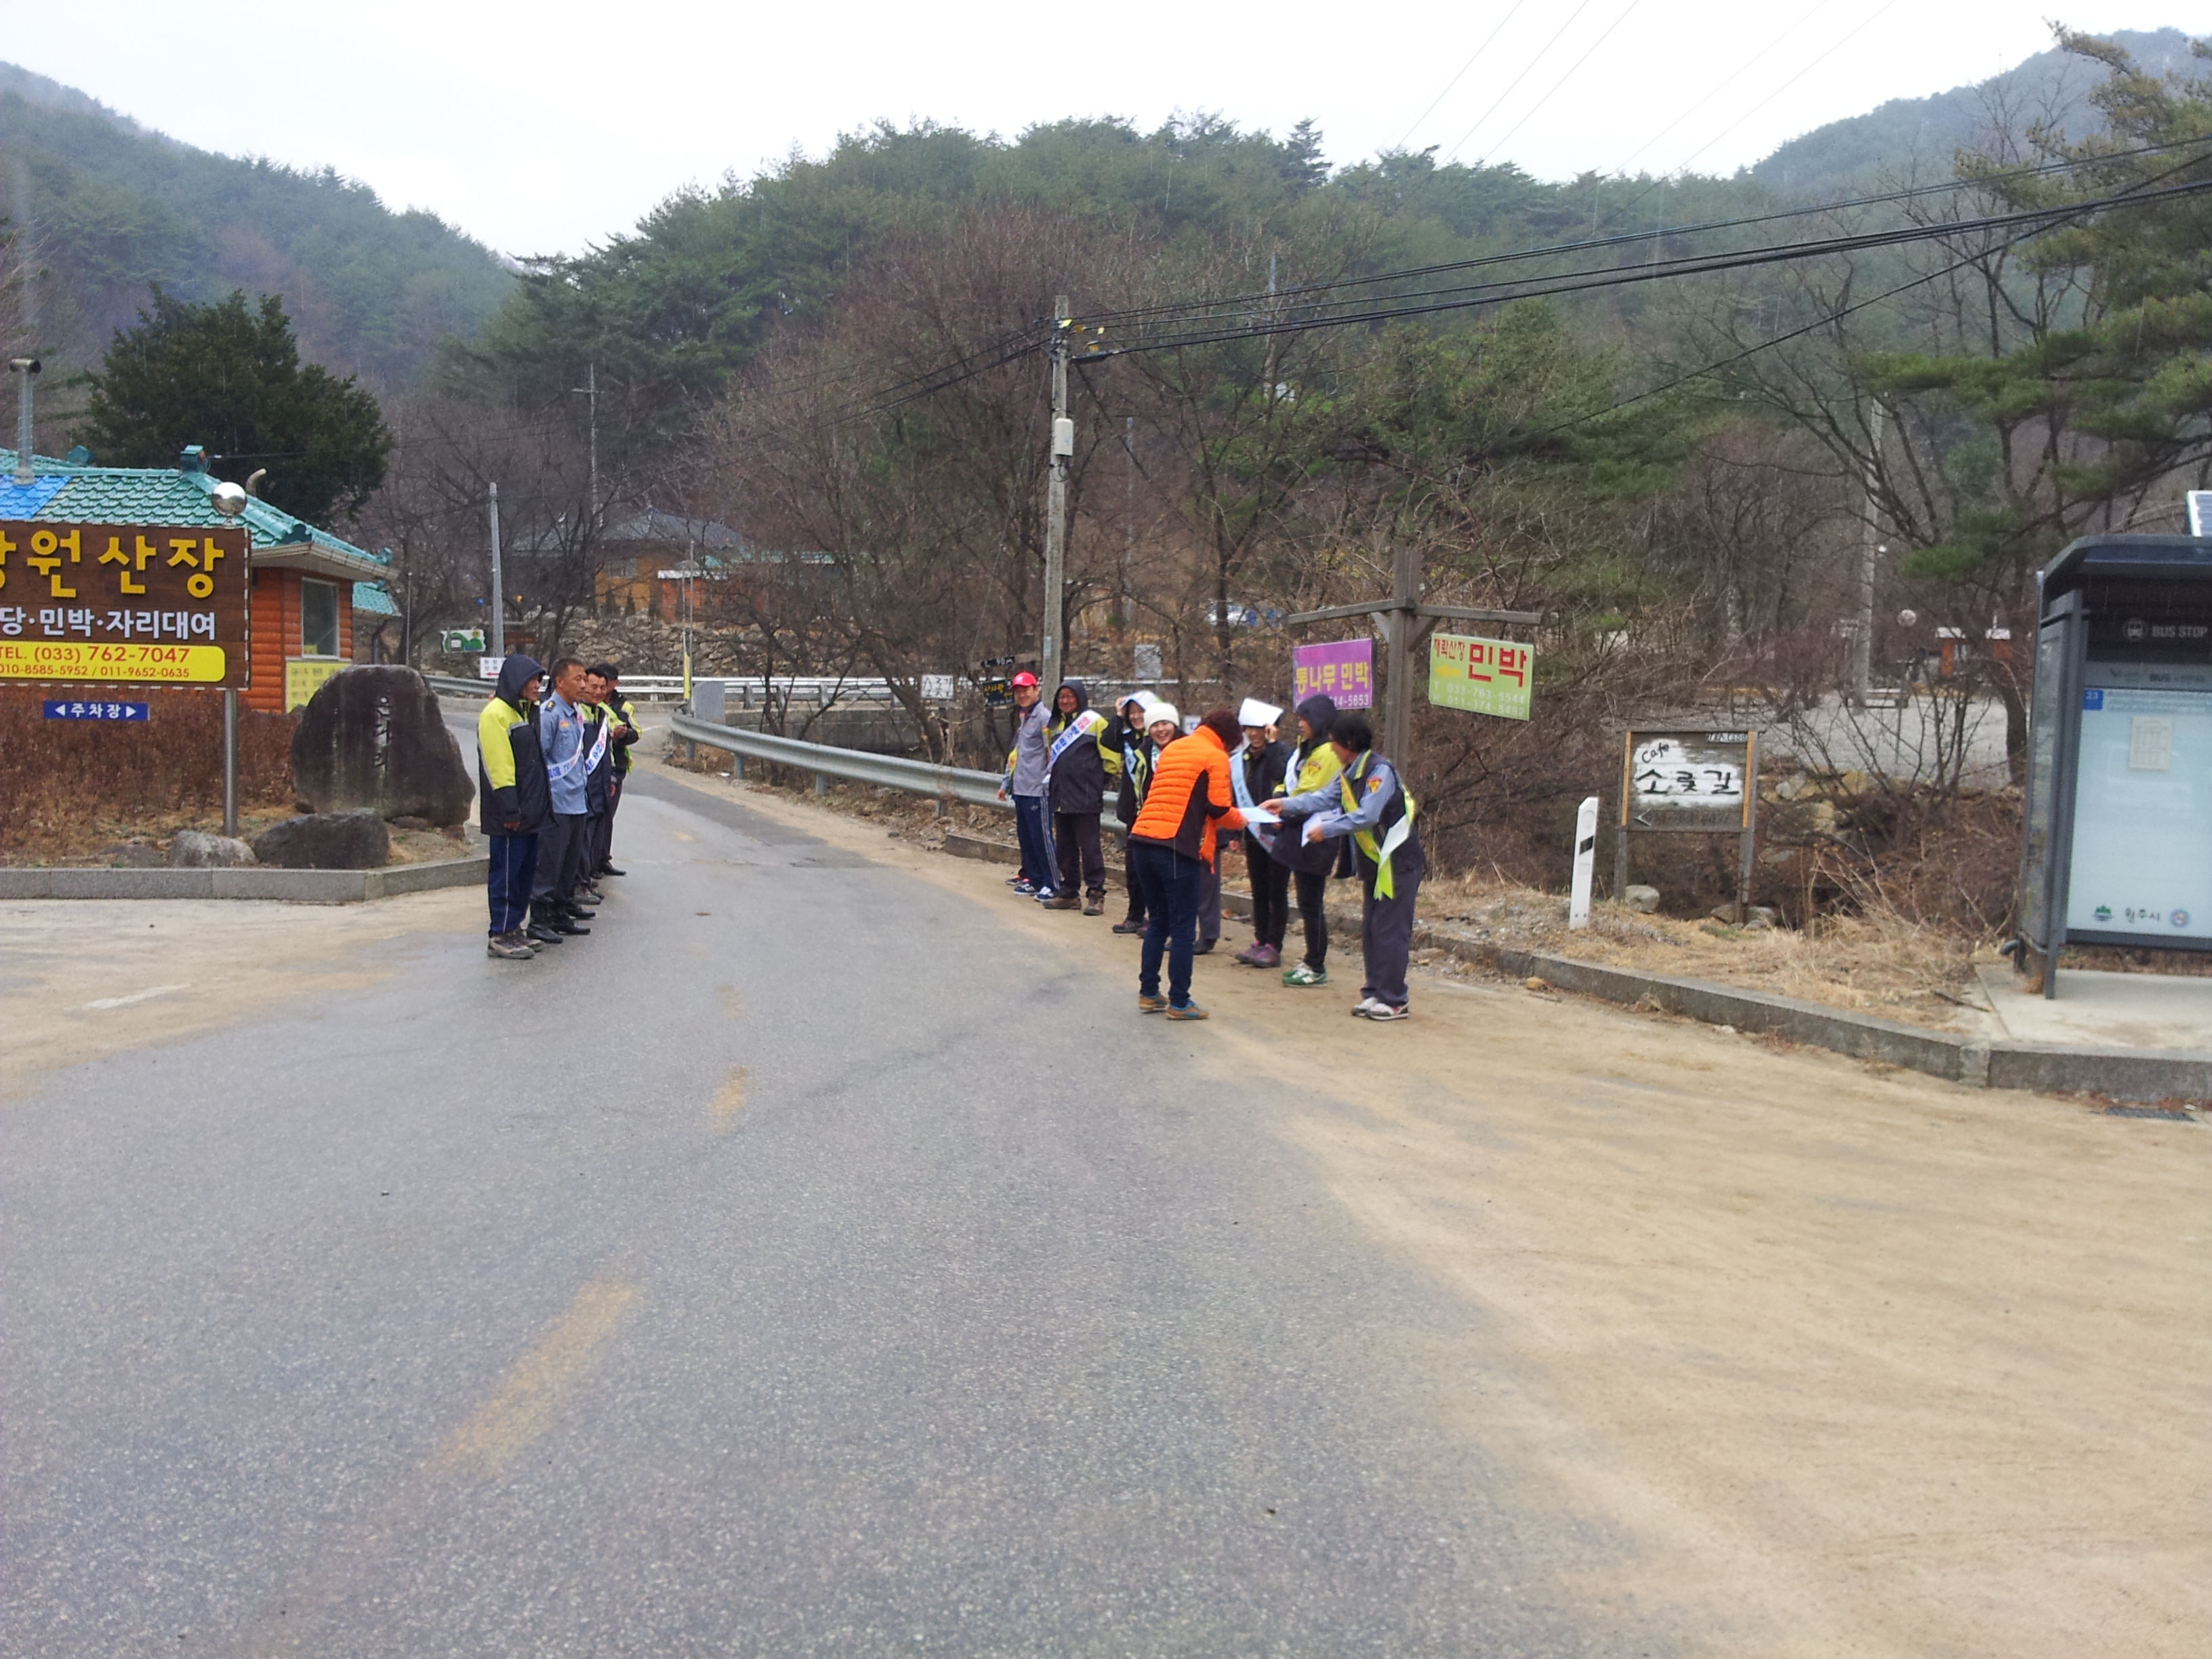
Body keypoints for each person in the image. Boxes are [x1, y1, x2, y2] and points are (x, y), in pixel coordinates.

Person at [1274, 711, 1426, 1021]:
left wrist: (1327, 830)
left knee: (1390, 931)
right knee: (1372, 929)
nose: (1331, 748)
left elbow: (1367, 816)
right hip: (1375, 865)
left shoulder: (1379, 771)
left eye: (1335, 743)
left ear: (1350, 743)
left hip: (1398, 863)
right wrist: (1285, 805)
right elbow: (1322, 799)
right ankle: (1375, 992)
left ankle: (1395, 999)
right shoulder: (1348, 773)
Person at [1126, 706, 1245, 1021]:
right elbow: (1219, 808)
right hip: (1176, 846)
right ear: (1228, 739)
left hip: (1142, 840)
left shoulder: (1174, 748)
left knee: (1158, 921)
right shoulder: (1215, 756)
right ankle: (1180, 1002)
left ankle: (1149, 993)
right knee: (1182, 928)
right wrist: (1243, 820)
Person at [1268, 693, 1347, 987]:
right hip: (1298, 830)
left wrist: (1284, 810)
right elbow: (1290, 782)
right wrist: (1281, 799)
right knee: (1304, 901)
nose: (1300, 724)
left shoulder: (1326, 752)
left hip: (1316, 833)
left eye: (1305, 719)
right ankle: (1311, 959)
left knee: (1311, 903)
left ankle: (1316, 964)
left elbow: (1310, 795)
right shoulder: (1307, 748)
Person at [476, 653, 548, 960]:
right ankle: (500, 932)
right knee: (506, 875)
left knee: (523, 874)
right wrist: (510, 809)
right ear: (517, 681)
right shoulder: (496, 714)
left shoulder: (524, 713)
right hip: (509, 814)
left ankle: (515, 927)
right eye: (533, 681)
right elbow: (498, 767)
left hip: (528, 812)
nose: (537, 686)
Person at [529, 657, 596, 943]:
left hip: (576, 800)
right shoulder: (551, 714)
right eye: (578, 679)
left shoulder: (576, 713)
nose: (584, 685)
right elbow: (539, 758)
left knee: (570, 863)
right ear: (560, 682)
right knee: (550, 864)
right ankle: (540, 919)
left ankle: (561, 910)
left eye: (585, 679)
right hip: (557, 802)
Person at [1228, 697, 1291, 968]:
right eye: (1248, 729)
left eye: (1258, 728)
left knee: (1277, 891)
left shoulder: (1284, 753)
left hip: (1277, 832)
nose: (1253, 734)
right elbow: (1236, 794)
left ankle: (1274, 945)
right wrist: (1235, 832)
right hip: (1253, 832)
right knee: (1259, 889)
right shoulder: (1243, 759)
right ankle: (1260, 938)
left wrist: (1273, 745)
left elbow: (1281, 775)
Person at [1042, 679, 1113, 914]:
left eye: (1070, 696)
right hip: (1061, 796)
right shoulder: (1054, 726)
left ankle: (1096, 894)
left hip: (1086, 796)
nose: (1065, 701)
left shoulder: (1095, 722)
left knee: (1090, 848)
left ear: (1080, 698)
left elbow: (1111, 758)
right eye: (1061, 697)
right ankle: (1069, 892)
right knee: (1065, 849)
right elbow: (1052, 758)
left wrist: (1096, 781)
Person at [998, 671, 1056, 899]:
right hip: (1021, 789)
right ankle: (1035, 879)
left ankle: (1052, 883)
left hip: (1037, 791)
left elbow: (1051, 753)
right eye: (1018, 691)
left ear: (1036, 689)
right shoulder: (1024, 717)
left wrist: (1047, 782)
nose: (1022, 695)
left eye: (1026, 690)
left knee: (1041, 839)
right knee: (1027, 838)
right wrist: (1006, 783)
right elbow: (1016, 754)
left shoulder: (1044, 718)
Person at [1109, 691, 1155, 933]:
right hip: (1132, 813)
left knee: (1154, 869)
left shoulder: (1160, 740)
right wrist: (1119, 716)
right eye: (1132, 712)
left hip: (1155, 813)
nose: (1136, 717)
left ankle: (1156, 918)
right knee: (1133, 868)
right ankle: (1135, 915)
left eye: (1141, 712)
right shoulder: (1128, 738)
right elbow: (1108, 740)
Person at [590, 663, 639, 878]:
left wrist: (624, 735)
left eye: (606, 684)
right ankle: (590, 864)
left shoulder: (623, 706)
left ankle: (603, 859)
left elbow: (636, 732)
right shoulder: (589, 704)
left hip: (615, 768)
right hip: (595, 769)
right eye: (598, 684)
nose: (602, 689)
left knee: (607, 817)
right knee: (593, 818)